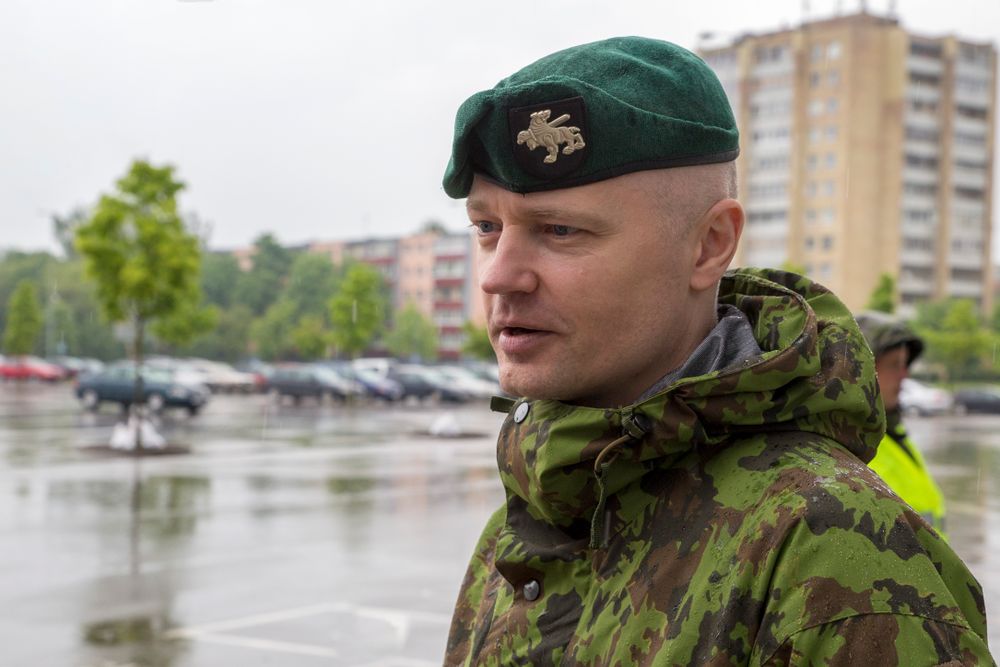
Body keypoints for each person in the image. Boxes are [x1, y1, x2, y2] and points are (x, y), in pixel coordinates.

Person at [441, 36, 991, 665]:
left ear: (708, 245)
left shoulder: (830, 557)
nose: (498, 276)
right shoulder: (529, 519)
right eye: (487, 227)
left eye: (560, 229)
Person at [857, 310, 947, 535]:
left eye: (906, 364)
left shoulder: (892, 434)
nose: (904, 375)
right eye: (894, 364)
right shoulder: (854, 448)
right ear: (861, 370)